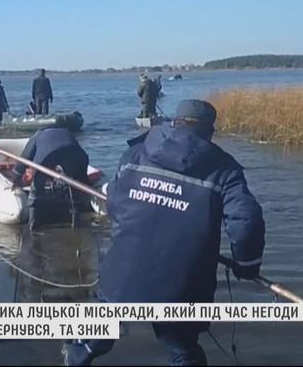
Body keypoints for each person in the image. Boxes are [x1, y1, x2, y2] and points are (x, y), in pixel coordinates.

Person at [63, 99, 266, 366]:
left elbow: (114, 203)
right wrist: (246, 264)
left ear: (175, 122)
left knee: (100, 327)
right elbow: (246, 221)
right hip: (181, 287)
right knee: (182, 347)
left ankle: (77, 356)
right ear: (209, 131)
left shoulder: (136, 152)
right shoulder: (225, 169)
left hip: (123, 272)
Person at [11, 127, 90, 229]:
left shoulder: (36, 138)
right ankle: (76, 221)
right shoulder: (65, 131)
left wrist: (15, 179)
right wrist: (85, 182)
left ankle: (33, 223)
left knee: (37, 187)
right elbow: (81, 165)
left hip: (48, 155)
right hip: (77, 154)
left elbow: (23, 161)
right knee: (75, 186)